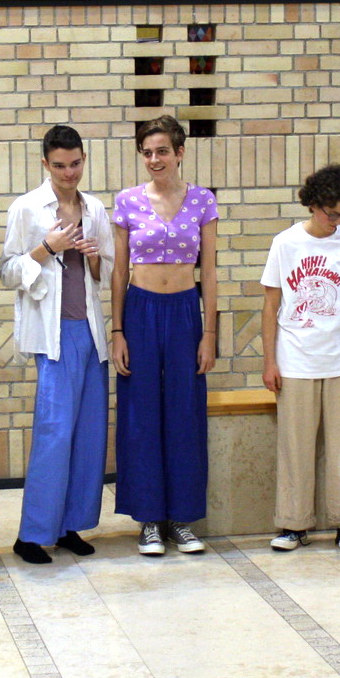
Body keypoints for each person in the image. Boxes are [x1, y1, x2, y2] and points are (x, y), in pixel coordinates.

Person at [0, 125, 113, 564]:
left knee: (88, 434)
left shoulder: (94, 208)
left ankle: (69, 526)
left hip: (90, 332)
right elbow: (8, 272)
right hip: (54, 336)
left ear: (84, 159)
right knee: (54, 432)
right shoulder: (27, 207)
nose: (69, 173)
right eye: (61, 165)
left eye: (76, 164)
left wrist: (92, 256)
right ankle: (31, 535)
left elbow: (106, 272)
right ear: (46, 164)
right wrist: (48, 247)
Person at [110, 115, 218, 557]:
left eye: (162, 151)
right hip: (140, 311)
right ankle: (149, 519)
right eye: (147, 152)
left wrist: (209, 332)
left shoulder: (203, 201)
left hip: (184, 313)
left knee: (184, 412)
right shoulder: (126, 201)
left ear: (180, 152)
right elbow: (119, 272)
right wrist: (118, 330)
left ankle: (181, 519)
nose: (154, 159)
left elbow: (210, 271)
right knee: (141, 414)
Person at [260, 164, 340, 553]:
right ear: (313, 203)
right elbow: (270, 305)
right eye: (331, 213)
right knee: (295, 447)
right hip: (295, 359)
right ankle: (293, 524)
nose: (336, 221)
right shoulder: (285, 243)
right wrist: (269, 362)